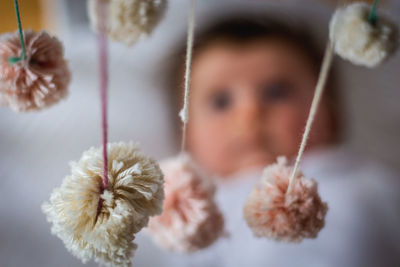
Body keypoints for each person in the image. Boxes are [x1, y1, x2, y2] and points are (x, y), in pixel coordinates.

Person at [136, 15, 400, 267]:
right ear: (186, 133)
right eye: (221, 101)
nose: (250, 113)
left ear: (329, 113)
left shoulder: (363, 181)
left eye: (276, 92)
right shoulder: (185, 211)